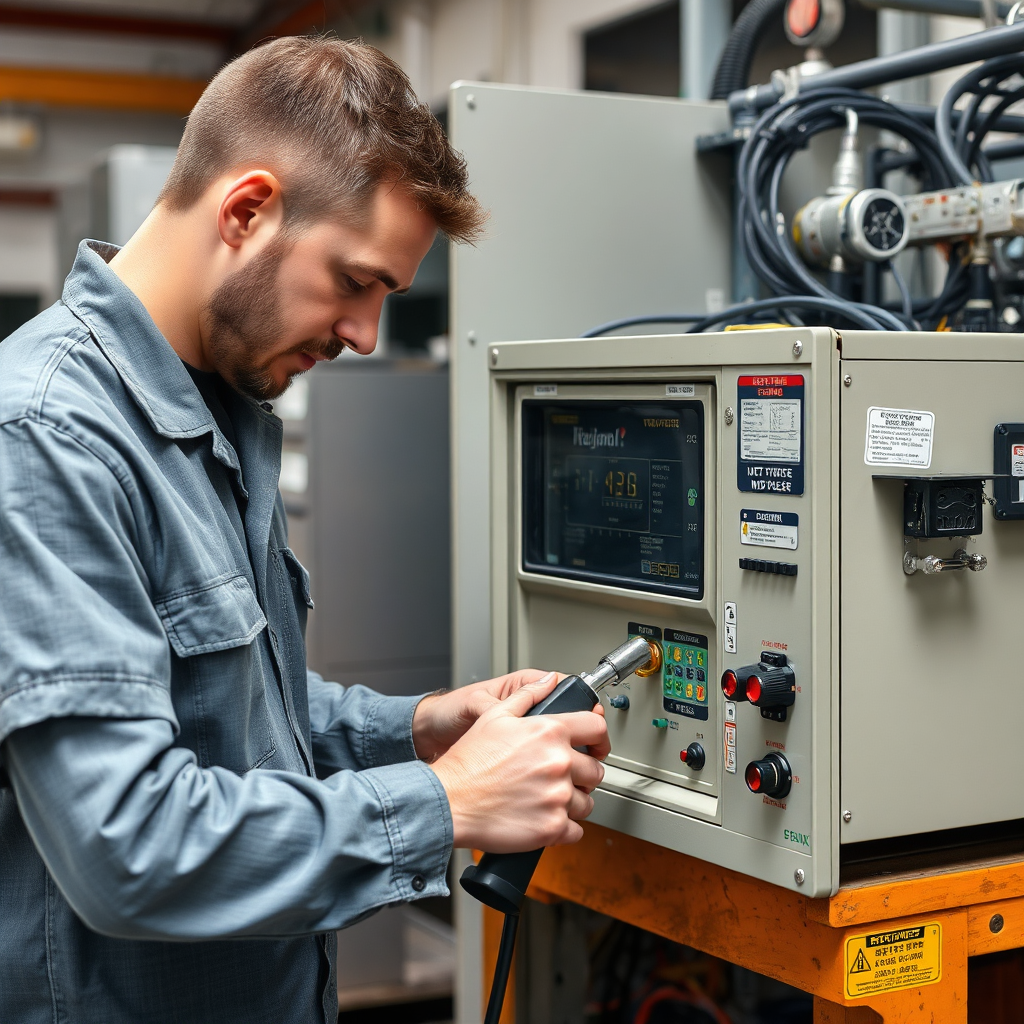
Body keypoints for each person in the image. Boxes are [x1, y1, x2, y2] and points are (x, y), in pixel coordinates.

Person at [0, 36, 609, 1024]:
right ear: (246, 210)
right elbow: (127, 845)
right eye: (356, 281)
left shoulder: (220, 413)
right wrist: (446, 803)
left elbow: (228, 715)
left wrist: (414, 733)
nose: (367, 336)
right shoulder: (50, 436)